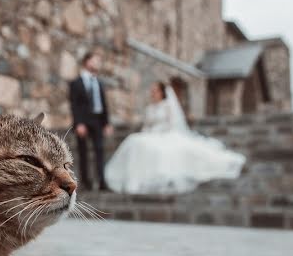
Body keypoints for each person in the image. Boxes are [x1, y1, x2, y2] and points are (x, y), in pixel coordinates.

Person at [104, 81, 246, 194]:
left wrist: (158, 133)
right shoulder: (149, 108)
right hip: (150, 135)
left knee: (149, 145)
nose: (152, 93)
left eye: (155, 90)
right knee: (134, 140)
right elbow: (146, 127)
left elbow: (172, 125)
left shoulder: (168, 106)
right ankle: (133, 181)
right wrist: (147, 132)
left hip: (166, 135)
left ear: (162, 92)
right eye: (151, 91)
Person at [68, 50, 113, 191]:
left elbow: (103, 103)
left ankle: (101, 181)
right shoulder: (76, 82)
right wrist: (79, 123)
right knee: (83, 151)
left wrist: (106, 123)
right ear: (87, 62)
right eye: (95, 60)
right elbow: (74, 105)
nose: (97, 63)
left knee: (99, 150)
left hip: (98, 120)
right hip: (83, 121)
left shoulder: (98, 82)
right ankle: (86, 181)